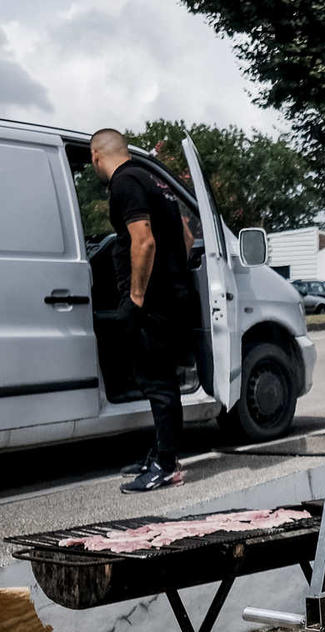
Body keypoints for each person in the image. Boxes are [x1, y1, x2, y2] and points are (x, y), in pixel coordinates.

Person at [91, 128, 194, 492]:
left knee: (158, 384)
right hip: (169, 297)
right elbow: (187, 237)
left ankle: (166, 467)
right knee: (160, 382)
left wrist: (136, 298)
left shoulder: (124, 183)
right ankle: (163, 453)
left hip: (152, 303)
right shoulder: (152, 181)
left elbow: (144, 240)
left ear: (96, 157)